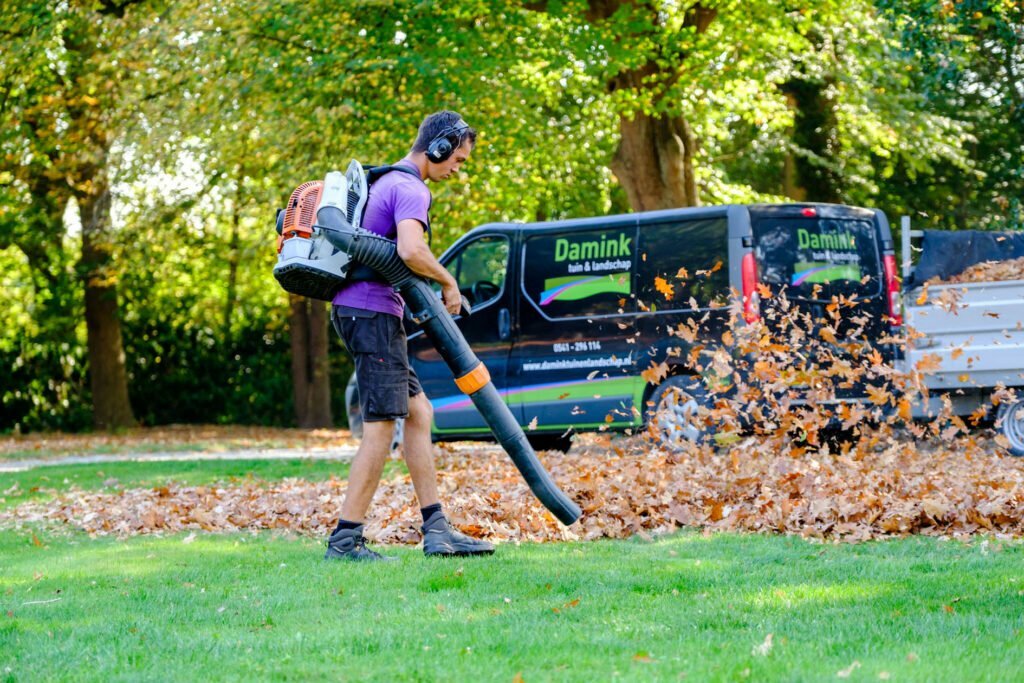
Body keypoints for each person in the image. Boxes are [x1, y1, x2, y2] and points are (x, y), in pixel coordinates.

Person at [325, 110, 494, 561]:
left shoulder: (389, 182)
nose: (458, 167)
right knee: (381, 426)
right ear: (437, 147)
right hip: (370, 314)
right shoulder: (410, 188)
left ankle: (436, 529)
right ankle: (345, 540)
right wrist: (449, 282)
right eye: (457, 158)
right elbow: (410, 250)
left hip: (365, 312)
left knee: (418, 412)